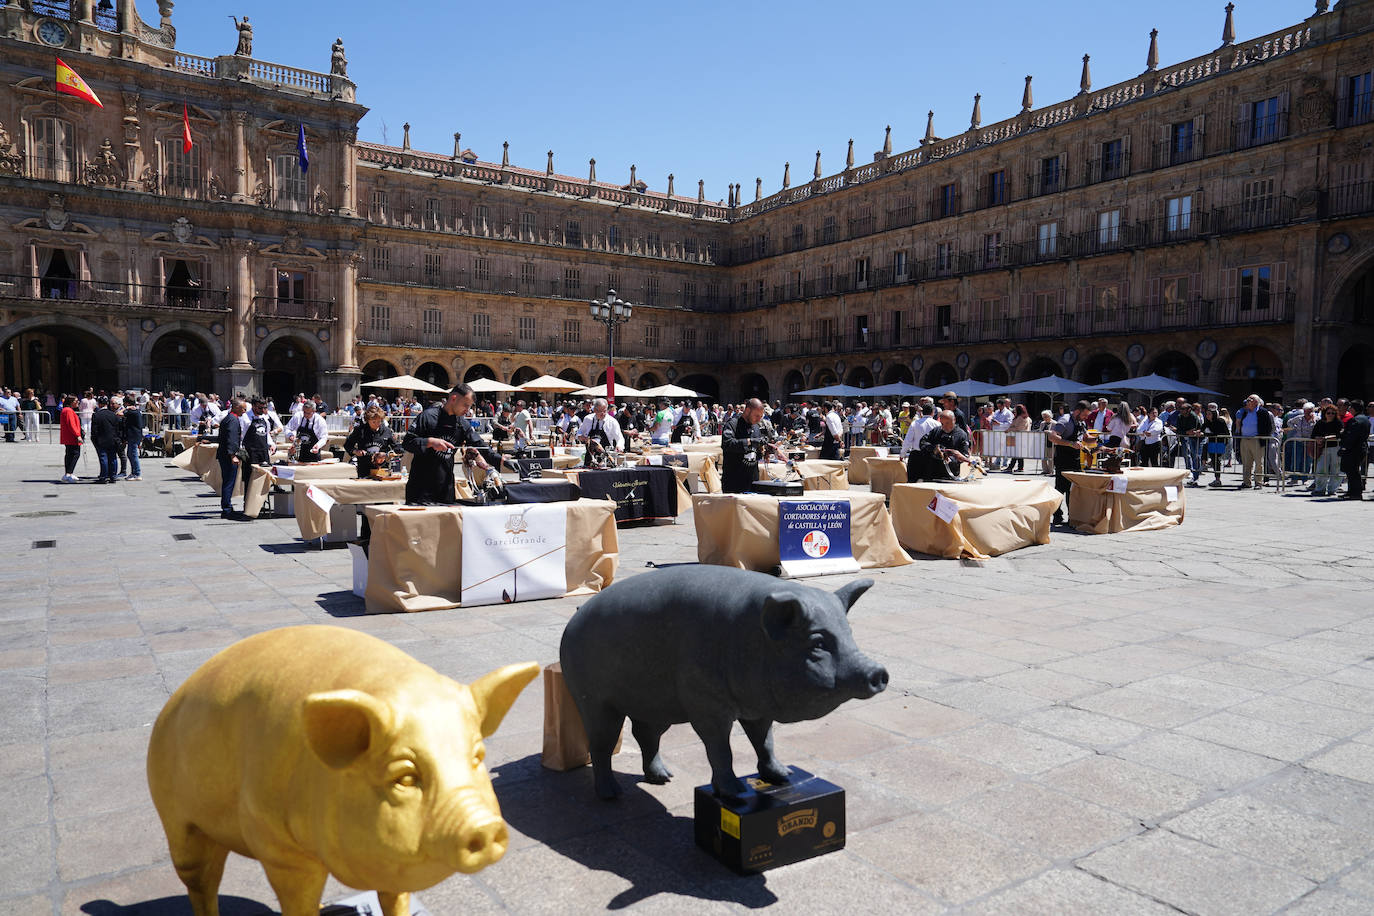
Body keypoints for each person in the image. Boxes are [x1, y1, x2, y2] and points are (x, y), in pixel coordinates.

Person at [402, 383, 499, 505]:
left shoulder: (461, 423)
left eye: (469, 406)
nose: (467, 410)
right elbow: (407, 442)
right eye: (465, 405)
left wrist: (500, 460)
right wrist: (430, 442)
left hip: (446, 489)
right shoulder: (428, 416)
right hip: (420, 489)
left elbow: (479, 444)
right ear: (453, 399)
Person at [722, 397, 777, 493]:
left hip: (753, 481)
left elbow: (757, 453)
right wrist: (749, 442)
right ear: (747, 411)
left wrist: (765, 451)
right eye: (756, 416)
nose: (759, 419)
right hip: (734, 481)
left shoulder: (756, 427)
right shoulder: (732, 424)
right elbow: (727, 444)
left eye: (761, 416)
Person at [1046, 400, 1089, 525]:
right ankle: (1057, 516)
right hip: (1063, 458)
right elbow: (1052, 437)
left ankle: (1073, 516)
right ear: (1077, 411)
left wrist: (1099, 443)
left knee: (1074, 489)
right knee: (1060, 489)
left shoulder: (1080, 421)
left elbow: (1085, 437)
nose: (1086, 417)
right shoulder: (1065, 420)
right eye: (1084, 415)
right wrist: (1071, 444)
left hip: (1074, 459)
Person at [214, 398, 249, 518]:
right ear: (237, 407)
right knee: (229, 482)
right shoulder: (233, 420)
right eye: (243, 408)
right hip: (228, 456)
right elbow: (231, 439)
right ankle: (227, 509)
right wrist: (233, 456)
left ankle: (227, 507)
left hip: (224, 455)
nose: (245, 411)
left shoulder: (229, 418)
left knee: (228, 482)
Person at [344, 404, 397, 478]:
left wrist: (387, 454)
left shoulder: (386, 431)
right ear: (368, 420)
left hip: (382, 469)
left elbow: (396, 448)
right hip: (364, 469)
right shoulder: (360, 430)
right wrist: (356, 451)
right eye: (373, 422)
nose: (377, 424)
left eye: (379, 421)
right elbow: (347, 445)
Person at [1233, 394, 1274, 489]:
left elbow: (1269, 427)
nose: (1247, 402)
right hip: (1244, 440)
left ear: (1256, 402)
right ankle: (1246, 482)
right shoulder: (1245, 412)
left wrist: (1263, 437)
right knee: (1246, 462)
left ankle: (1258, 483)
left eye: (1250, 400)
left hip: (1256, 440)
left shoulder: (1263, 412)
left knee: (1259, 463)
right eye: (1247, 400)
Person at [918, 410, 973, 480]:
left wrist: (951, 458)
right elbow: (922, 442)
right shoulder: (936, 431)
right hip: (932, 472)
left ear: (954, 420)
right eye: (942, 423)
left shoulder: (961, 435)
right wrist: (933, 449)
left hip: (950, 474)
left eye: (947, 423)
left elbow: (964, 455)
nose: (945, 426)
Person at [1338, 398, 1370, 501]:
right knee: (1353, 472)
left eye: (1350, 407)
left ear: (1354, 408)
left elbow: (1351, 436)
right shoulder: (1365, 419)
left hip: (1353, 450)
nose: (1349, 409)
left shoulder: (1355, 420)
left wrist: (1344, 447)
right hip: (1360, 448)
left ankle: (1355, 493)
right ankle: (1352, 492)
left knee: (1352, 472)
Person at [1311, 404, 1344, 497]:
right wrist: (1318, 438)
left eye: (1333, 413)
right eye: (1328, 413)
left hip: (1335, 448)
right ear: (1324, 413)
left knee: (1336, 469)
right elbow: (1313, 435)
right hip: (1323, 448)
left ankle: (1332, 489)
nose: (1330, 415)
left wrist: (1327, 437)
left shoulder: (1338, 423)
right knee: (1321, 469)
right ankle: (1320, 489)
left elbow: (1340, 434)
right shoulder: (1320, 423)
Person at [89, 396, 122, 484]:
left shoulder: (96, 415)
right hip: (113, 439)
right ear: (107, 404)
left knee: (103, 458)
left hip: (101, 439)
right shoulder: (113, 415)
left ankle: (104, 476)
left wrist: (94, 439)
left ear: (99, 404)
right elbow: (117, 428)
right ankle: (113, 476)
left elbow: (94, 430)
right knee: (113, 458)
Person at [244, 397, 275, 467]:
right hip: (251, 452)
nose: (263, 410)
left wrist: (271, 444)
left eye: (264, 408)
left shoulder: (265, 418)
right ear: (253, 406)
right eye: (260, 408)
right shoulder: (246, 417)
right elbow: (242, 434)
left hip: (263, 452)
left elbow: (267, 434)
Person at [1203, 406, 1229, 487]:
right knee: (1214, 460)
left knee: (1216, 460)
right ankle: (1217, 478)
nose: (1207, 416)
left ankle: (1218, 479)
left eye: (1209, 414)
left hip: (1220, 443)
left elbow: (1225, 433)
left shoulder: (1220, 421)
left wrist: (1206, 434)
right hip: (1212, 443)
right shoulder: (1207, 421)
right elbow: (1202, 428)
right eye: (1206, 414)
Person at [59, 395, 83, 483]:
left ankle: (68, 474)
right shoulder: (68, 411)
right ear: (71, 402)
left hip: (69, 436)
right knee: (74, 454)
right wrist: (78, 436)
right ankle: (69, 473)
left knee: (70, 454)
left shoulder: (66, 410)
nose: (78, 402)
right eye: (76, 401)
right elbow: (71, 424)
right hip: (72, 437)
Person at [122, 395, 144, 481]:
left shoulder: (131, 411)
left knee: (133, 454)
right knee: (130, 454)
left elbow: (119, 414)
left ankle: (137, 473)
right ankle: (134, 472)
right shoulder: (136, 411)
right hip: (135, 435)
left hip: (133, 436)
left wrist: (125, 408)